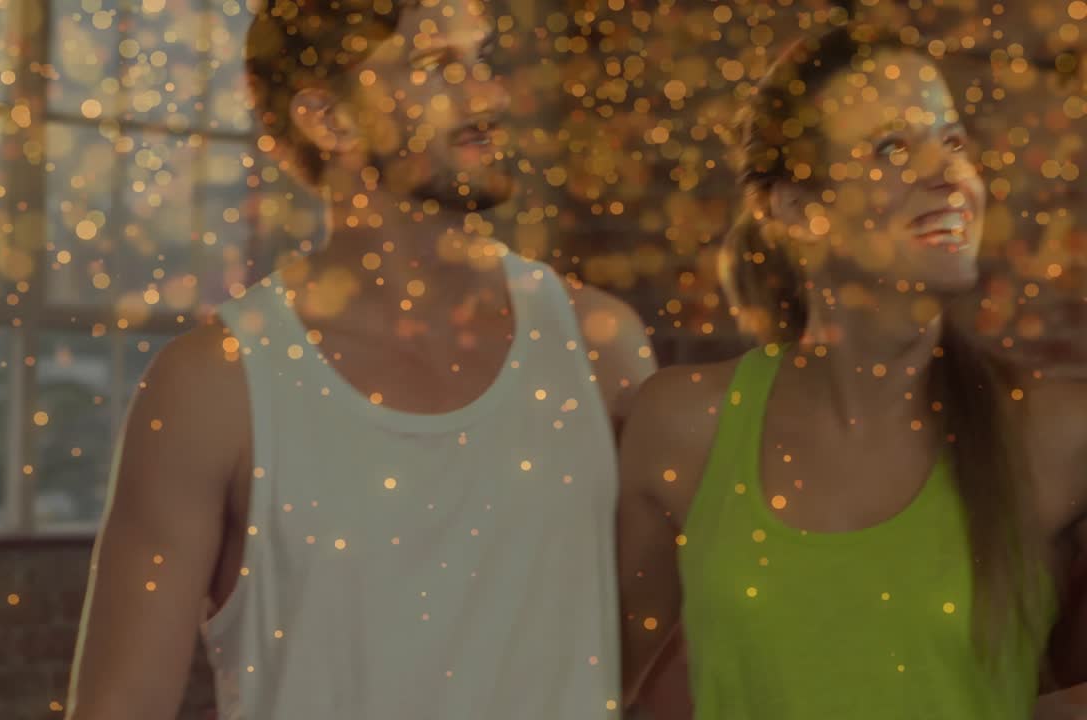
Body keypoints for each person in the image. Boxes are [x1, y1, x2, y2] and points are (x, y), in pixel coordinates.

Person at [64, 0, 656, 718]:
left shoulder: (600, 348)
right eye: (439, 67)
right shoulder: (212, 387)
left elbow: (663, 661)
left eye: (482, 61)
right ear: (328, 120)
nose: (489, 95)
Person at [617, 24, 1087, 720]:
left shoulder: (1054, 434)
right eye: (893, 149)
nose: (948, 175)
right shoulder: (683, 427)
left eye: (953, 141)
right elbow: (600, 686)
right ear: (799, 211)